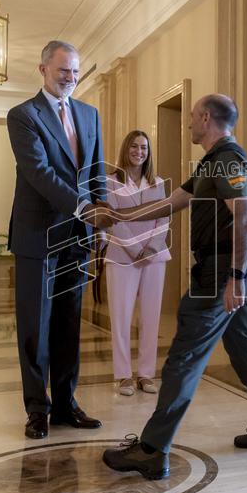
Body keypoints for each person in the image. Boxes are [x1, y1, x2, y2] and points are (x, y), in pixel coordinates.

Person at [100, 94, 247, 480]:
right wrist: (115, 214)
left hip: (223, 271)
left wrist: (236, 277)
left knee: (184, 356)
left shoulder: (229, 159)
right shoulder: (210, 162)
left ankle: (153, 449)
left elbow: (245, 218)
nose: (188, 123)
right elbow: (171, 202)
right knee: (243, 346)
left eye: (192, 117)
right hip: (228, 268)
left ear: (206, 118)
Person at [7, 40, 106, 440]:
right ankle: (37, 409)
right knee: (35, 326)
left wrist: (99, 222)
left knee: (68, 324)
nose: (71, 78)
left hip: (77, 238)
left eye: (76, 72)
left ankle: (66, 404)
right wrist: (85, 208)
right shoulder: (23, 115)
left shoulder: (89, 114)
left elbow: (96, 171)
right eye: (64, 70)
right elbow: (40, 173)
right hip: (37, 237)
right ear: (43, 69)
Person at [105, 130, 170, 396]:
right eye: (134, 146)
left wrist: (151, 247)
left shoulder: (158, 183)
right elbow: (112, 219)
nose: (139, 152)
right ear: (126, 149)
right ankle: (123, 376)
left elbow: (164, 218)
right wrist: (134, 249)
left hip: (155, 257)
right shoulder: (109, 183)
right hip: (122, 256)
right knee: (120, 317)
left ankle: (145, 374)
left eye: (144, 148)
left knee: (151, 317)